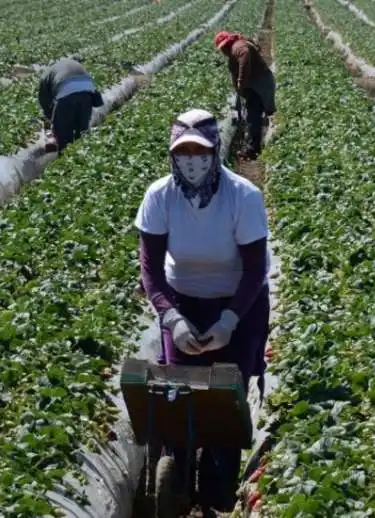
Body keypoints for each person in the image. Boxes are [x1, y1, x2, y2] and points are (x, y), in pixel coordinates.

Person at [134, 109, 270, 513]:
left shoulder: (242, 196)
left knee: (226, 398)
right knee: (178, 394)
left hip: (237, 305)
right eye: (184, 152)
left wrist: (229, 321)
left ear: (216, 152)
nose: (192, 160)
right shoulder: (160, 196)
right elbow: (150, 270)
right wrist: (171, 319)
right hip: (183, 301)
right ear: (172, 155)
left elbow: (254, 270)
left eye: (201, 151)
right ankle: (178, 468)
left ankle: (219, 486)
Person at [214, 31, 276, 159]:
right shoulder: (234, 50)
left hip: (261, 83)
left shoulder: (238, 47)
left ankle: (253, 148)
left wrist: (241, 82)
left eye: (224, 47)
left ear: (228, 43)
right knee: (254, 115)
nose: (223, 51)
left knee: (255, 115)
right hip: (256, 84)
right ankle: (254, 146)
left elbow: (245, 57)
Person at [38, 58, 104, 153]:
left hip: (66, 94)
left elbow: (44, 99)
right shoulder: (72, 64)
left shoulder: (47, 73)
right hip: (87, 93)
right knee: (82, 130)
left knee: (63, 133)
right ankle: (82, 156)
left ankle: (65, 158)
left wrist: (50, 117)